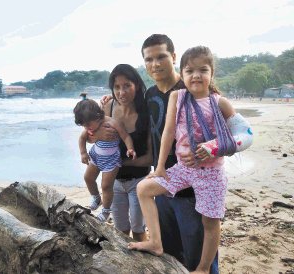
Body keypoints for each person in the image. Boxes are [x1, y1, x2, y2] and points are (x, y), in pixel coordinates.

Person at [128, 46, 253, 274]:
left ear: (211, 74)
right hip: (183, 169)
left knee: (210, 222)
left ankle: (203, 268)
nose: (196, 75)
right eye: (190, 70)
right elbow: (168, 132)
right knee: (144, 188)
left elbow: (246, 135)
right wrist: (162, 166)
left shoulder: (219, 103)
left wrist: (213, 147)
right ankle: (155, 242)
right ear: (182, 74)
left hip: (211, 174)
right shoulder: (178, 96)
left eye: (203, 70)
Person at [102, 64, 152, 241]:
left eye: (127, 86)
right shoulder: (107, 108)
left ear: (136, 85)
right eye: (117, 87)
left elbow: (150, 158)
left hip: (139, 181)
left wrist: (120, 163)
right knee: (120, 231)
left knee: (139, 230)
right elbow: (93, 136)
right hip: (114, 182)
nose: (121, 92)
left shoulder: (146, 112)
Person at [73, 99, 136, 222]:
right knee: (88, 178)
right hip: (96, 156)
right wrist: (83, 153)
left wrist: (130, 149)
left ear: (98, 116)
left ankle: (106, 211)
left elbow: (126, 136)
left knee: (106, 186)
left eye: (87, 125)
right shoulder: (90, 126)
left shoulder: (112, 123)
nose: (86, 128)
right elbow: (81, 139)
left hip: (111, 160)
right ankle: (96, 198)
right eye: (84, 125)